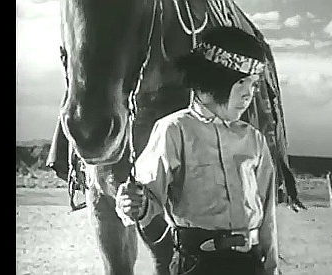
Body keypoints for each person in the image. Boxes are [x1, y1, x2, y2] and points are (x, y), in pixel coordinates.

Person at [115, 26, 279, 275]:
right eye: (242, 82)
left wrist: (271, 269)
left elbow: (267, 216)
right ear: (216, 78)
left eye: (254, 85)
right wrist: (132, 203)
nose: (249, 93)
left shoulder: (253, 139)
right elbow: (146, 196)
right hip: (198, 264)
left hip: (250, 264)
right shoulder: (174, 130)